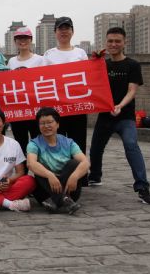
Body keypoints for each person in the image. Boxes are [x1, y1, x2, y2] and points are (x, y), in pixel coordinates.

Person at [88, 27, 150, 204]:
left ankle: (142, 187)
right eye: (110, 41)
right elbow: (88, 82)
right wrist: (94, 61)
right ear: (106, 43)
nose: (113, 44)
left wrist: (119, 105)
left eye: (117, 41)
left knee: (131, 145)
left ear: (125, 42)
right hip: (105, 117)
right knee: (95, 149)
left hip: (125, 117)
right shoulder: (102, 64)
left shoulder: (132, 65)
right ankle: (95, 176)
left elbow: (132, 90)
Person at [43, 17, 89, 182]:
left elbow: (88, 76)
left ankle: (80, 177)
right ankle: (61, 175)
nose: (64, 31)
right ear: (55, 32)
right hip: (57, 108)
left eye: (67, 28)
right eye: (60, 29)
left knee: (78, 141)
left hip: (77, 106)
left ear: (72, 31)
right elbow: (42, 79)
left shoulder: (80, 53)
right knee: (58, 143)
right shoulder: (48, 54)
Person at [27, 107, 89, 214]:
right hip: (46, 191)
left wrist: (75, 176)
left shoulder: (68, 142)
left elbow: (85, 162)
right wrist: (49, 175)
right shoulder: (34, 144)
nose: (46, 126)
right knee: (39, 167)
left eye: (50, 122)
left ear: (58, 124)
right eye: (42, 123)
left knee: (74, 163)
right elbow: (31, 164)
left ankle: (56, 201)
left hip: (70, 189)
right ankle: (65, 201)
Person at [7, 27, 44, 154]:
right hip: (18, 110)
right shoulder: (11, 61)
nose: (22, 41)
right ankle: (23, 167)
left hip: (36, 110)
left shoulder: (40, 60)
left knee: (38, 144)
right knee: (20, 144)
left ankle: (38, 167)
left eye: (26, 38)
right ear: (15, 41)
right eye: (19, 38)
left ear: (31, 40)